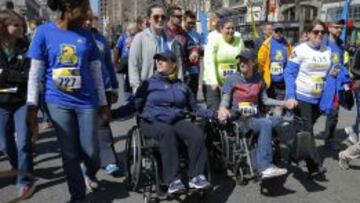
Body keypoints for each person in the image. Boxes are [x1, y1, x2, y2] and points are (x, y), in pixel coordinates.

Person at [26, 0, 110, 202]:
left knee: (91, 153)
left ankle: (89, 171)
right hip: (57, 101)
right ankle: (77, 195)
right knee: (69, 153)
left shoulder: (86, 35)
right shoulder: (43, 33)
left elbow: (96, 71)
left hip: (86, 102)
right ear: (68, 7)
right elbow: (35, 73)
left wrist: (104, 103)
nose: (89, 13)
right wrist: (32, 105)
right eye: (84, 7)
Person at [135, 50, 214, 195]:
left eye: (164, 60)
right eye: (158, 60)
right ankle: (173, 181)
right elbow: (134, 104)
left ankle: (196, 176)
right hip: (152, 121)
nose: (159, 62)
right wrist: (110, 113)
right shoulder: (148, 84)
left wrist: (214, 114)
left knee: (196, 133)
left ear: (173, 65)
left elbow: (194, 108)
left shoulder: (182, 86)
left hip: (175, 120)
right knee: (167, 132)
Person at [217, 49, 288, 179]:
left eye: (246, 60)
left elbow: (265, 100)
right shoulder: (232, 79)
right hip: (241, 120)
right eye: (241, 61)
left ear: (253, 62)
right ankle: (265, 166)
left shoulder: (258, 78)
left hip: (256, 117)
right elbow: (225, 100)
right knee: (265, 123)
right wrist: (222, 108)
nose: (242, 63)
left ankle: (285, 155)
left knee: (282, 120)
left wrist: (283, 103)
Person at [284, 20, 331, 177]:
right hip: (302, 97)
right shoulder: (300, 50)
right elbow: (289, 73)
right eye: (316, 32)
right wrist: (291, 95)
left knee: (303, 130)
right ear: (309, 34)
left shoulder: (327, 51)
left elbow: (330, 73)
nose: (319, 35)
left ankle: (293, 153)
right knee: (308, 130)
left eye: (322, 32)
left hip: (319, 98)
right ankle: (314, 167)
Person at [0, 9, 35, 199]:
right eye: (16, 25)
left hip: (21, 101)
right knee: (5, 145)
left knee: (23, 142)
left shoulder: (25, 46)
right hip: (1, 103)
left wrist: (6, 75)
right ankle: (17, 167)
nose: (21, 28)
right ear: (4, 27)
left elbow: (30, 74)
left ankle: (25, 180)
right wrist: (16, 76)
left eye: (22, 25)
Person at [83, 18, 122, 177]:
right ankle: (88, 162)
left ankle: (109, 160)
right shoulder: (73, 37)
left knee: (103, 122)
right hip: (82, 90)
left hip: (103, 87)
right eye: (86, 19)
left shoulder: (101, 39)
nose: (88, 22)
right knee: (86, 127)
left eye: (91, 19)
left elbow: (108, 64)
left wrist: (114, 86)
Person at [203, 17, 245, 111]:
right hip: (213, 81)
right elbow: (209, 61)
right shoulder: (214, 40)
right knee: (214, 110)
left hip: (231, 82)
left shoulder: (239, 41)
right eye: (228, 28)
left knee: (231, 110)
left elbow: (243, 59)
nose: (230, 31)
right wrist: (214, 81)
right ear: (221, 29)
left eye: (233, 28)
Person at [128, 4, 169, 92]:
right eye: (156, 17)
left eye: (163, 17)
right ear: (149, 19)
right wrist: (137, 89)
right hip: (147, 89)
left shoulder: (170, 39)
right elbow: (133, 65)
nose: (160, 19)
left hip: (167, 88)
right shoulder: (140, 38)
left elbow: (177, 64)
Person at [320, 19, 346, 151]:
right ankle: (305, 142)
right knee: (314, 113)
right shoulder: (322, 42)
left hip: (335, 85)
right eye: (337, 27)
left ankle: (329, 139)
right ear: (329, 28)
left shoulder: (341, 44)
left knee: (334, 113)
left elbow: (341, 63)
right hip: (320, 83)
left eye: (341, 28)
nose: (340, 30)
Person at [258, 24, 292, 116]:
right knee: (268, 108)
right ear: (272, 32)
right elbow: (260, 62)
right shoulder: (266, 44)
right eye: (276, 31)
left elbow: (290, 60)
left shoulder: (287, 44)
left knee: (279, 108)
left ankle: (276, 125)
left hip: (282, 82)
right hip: (269, 83)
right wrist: (260, 78)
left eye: (281, 31)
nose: (278, 33)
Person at [164, 6, 200, 83]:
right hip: (164, 72)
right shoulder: (162, 31)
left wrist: (194, 51)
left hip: (179, 73)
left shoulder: (182, 33)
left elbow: (192, 45)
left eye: (181, 17)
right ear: (171, 17)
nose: (181, 19)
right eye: (179, 17)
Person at [183, 10, 204, 99]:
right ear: (183, 21)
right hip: (183, 71)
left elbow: (203, 48)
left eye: (193, 23)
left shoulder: (197, 35)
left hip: (195, 70)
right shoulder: (180, 34)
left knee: (193, 96)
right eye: (189, 23)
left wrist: (198, 49)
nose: (191, 25)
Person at [113, 23, 138, 98]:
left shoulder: (138, 36)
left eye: (135, 28)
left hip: (136, 61)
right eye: (133, 29)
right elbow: (117, 49)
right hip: (126, 62)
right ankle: (128, 97)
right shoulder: (123, 37)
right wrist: (116, 63)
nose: (134, 30)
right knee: (127, 80)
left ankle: (135, 96)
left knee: (135, 79)